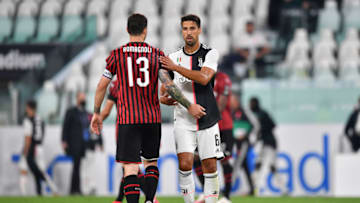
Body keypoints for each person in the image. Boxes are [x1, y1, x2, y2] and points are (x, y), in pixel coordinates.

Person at [90, 13, 205, 203]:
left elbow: (102, 86)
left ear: (127, 30)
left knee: (130, 168)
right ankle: (150, 201)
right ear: (145, 30)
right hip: (152, 118)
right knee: (151, 163)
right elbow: (169, 86)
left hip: (127, 119)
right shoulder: (156, 54)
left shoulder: (117, 55)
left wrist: (96, 113)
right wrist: (189, 105)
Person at [160, 14, 223, 203]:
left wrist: (176, 68)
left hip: (207, 118)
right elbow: (165, 87)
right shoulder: (173, 58)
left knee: (210, 166)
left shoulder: (210, 54)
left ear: (199, 30)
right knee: (185, 164)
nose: (188, 32)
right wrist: (163, 99)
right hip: (183, 119)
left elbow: (204, 78)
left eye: (192, 28)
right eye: (185, 28)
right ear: (182, 31)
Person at [100, 79, 158, 203]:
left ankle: (149, 197)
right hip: (147, 124)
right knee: (137, 166)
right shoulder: (143, 79)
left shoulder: (116, 85)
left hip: (125, 128)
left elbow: (106, 110)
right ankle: (145, 198)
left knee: (129, 167)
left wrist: (96, 119)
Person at [192, 72, 235, 203]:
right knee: (196, 158)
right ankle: (207, 193)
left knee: (225, 160)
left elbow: (221, 106)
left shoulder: (223, 78)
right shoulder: (197, 77)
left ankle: (227, 197)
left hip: (223, 126)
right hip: (204, 126)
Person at [248, 97, 285, 195]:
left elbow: (273, 125)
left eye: (251, 103)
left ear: (255, 104)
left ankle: (284, 190)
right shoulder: (254, 115)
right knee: (258, 164)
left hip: (270, 143)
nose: (250, 105)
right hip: (264, 143)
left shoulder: (262, 114)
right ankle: (254, 188)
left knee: (272, 166)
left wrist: (262, 131)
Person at [22, 100, 58, 195]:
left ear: (29, 108)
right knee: (38, 170)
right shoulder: (40, 119)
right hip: (40, 147)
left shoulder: (28, 120)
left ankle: (53, 189)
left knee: (36, 171)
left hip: (33, 148)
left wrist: (25, 151)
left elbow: (28, 138)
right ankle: (40, 192)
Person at [230, 95, 259, 196]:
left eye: (233, 101)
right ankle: (252, 189)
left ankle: (228, 188)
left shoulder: (245, 111)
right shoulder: (232, 113)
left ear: (237, 102)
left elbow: (255, 125)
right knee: (244, 165)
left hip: (244, 143)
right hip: (237, 143)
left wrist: (247, 136)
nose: (231, 103)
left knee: (237, 163)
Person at [61, 92, 89, 195]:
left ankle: (76, 189)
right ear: (77, 99)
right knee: (76, 166)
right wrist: (64, 140)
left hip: (82, 143)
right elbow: (65, 126)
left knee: (78, 166)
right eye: (82, 98)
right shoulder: (71, 111)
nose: (83, 100)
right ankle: (74, 189)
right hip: (74, 143)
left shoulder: (85, 112)